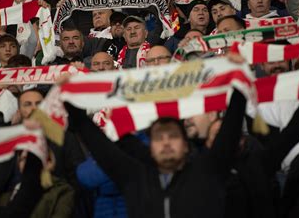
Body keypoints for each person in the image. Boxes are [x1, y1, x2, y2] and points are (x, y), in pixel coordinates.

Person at [64, 53, 249, 217]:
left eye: (173, 136)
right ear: (150, 146)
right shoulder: (134, 178)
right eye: (159, 137)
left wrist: (238, 76)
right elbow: (95, 140)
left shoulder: (209, 171)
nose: (166, 141)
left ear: (186, 145)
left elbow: (230, 130)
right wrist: (69, 97)